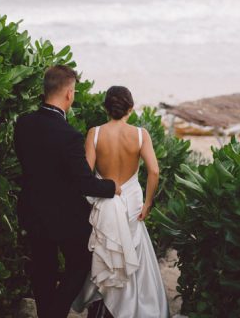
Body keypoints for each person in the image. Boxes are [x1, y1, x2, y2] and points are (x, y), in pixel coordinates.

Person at [14, 65, 121, 318]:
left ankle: (45, 314)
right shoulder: (69, 136)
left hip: (31, 210)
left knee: (43, 268)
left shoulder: (23, 123)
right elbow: (85, 183)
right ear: (69, 94)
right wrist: (112, 186)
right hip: (65, 218)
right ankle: (55, 313)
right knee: (81, 262)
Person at [72, 86, 170, 318]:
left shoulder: (94, 134)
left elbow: (85, 175)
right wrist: (148, 203)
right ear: (131, 109)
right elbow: (154, 171)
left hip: (103, 202)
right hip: (133, 202)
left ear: (106, 108)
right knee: (132, 255)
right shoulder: (140, 135)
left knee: (105, 252)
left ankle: (101, 309)